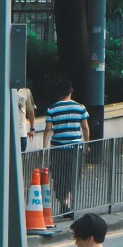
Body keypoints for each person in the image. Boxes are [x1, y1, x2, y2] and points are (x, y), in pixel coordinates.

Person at [43, 81, 88, 217]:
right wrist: (87, 144)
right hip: (75, 148)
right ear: (71, 91)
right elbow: (85, 128)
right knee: (74, 176)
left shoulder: (52, 109)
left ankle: (64, 201)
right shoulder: (80, 108)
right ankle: (69, 202)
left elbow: (48, 130)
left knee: (58, 176)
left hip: (58, 149)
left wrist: (45, 148)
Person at [16, 86, 37, 154]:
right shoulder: (3, 88)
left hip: (21, 133)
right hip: (7, 133)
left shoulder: (25, 91)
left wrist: (32, 128)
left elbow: (31, 111)